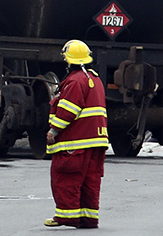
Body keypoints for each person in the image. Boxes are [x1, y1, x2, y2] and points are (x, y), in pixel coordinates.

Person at [44, 39, 108, 229]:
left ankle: (66, 217)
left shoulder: (74, 81)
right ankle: (89, 218)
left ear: (68, 60)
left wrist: (53, 131)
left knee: (66, 179)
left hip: (76, 143)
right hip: (96, 141)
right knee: (90, 181)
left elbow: (68, 110)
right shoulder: (94, 79)